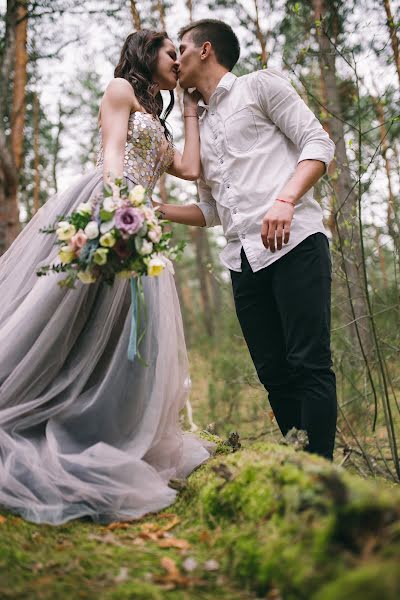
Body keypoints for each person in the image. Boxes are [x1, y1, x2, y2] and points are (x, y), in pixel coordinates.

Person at [0, 30, 213, 525]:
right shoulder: (120, 90)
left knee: (119, 330)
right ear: (146, 55)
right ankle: (28, 401)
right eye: (169, 53)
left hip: (139, 216)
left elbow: (188, 165)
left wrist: (187, 110)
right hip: (109, 203)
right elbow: (115, 149)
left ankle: (103, 427)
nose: (177, 61)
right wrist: (120, 205)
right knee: (61, 312)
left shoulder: (159, 115)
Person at [154, 19, 337, 460]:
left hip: (296, 244)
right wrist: (156, 212)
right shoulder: (197, 126)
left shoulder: (261, 86)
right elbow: (212, 211)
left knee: (309, 363)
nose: (175, 58)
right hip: (242, 261)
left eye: (180, 47)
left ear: (205, 50)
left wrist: (286, 199)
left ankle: (322, 478)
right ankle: (296, 469)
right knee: (273, 372)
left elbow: (319, 144)